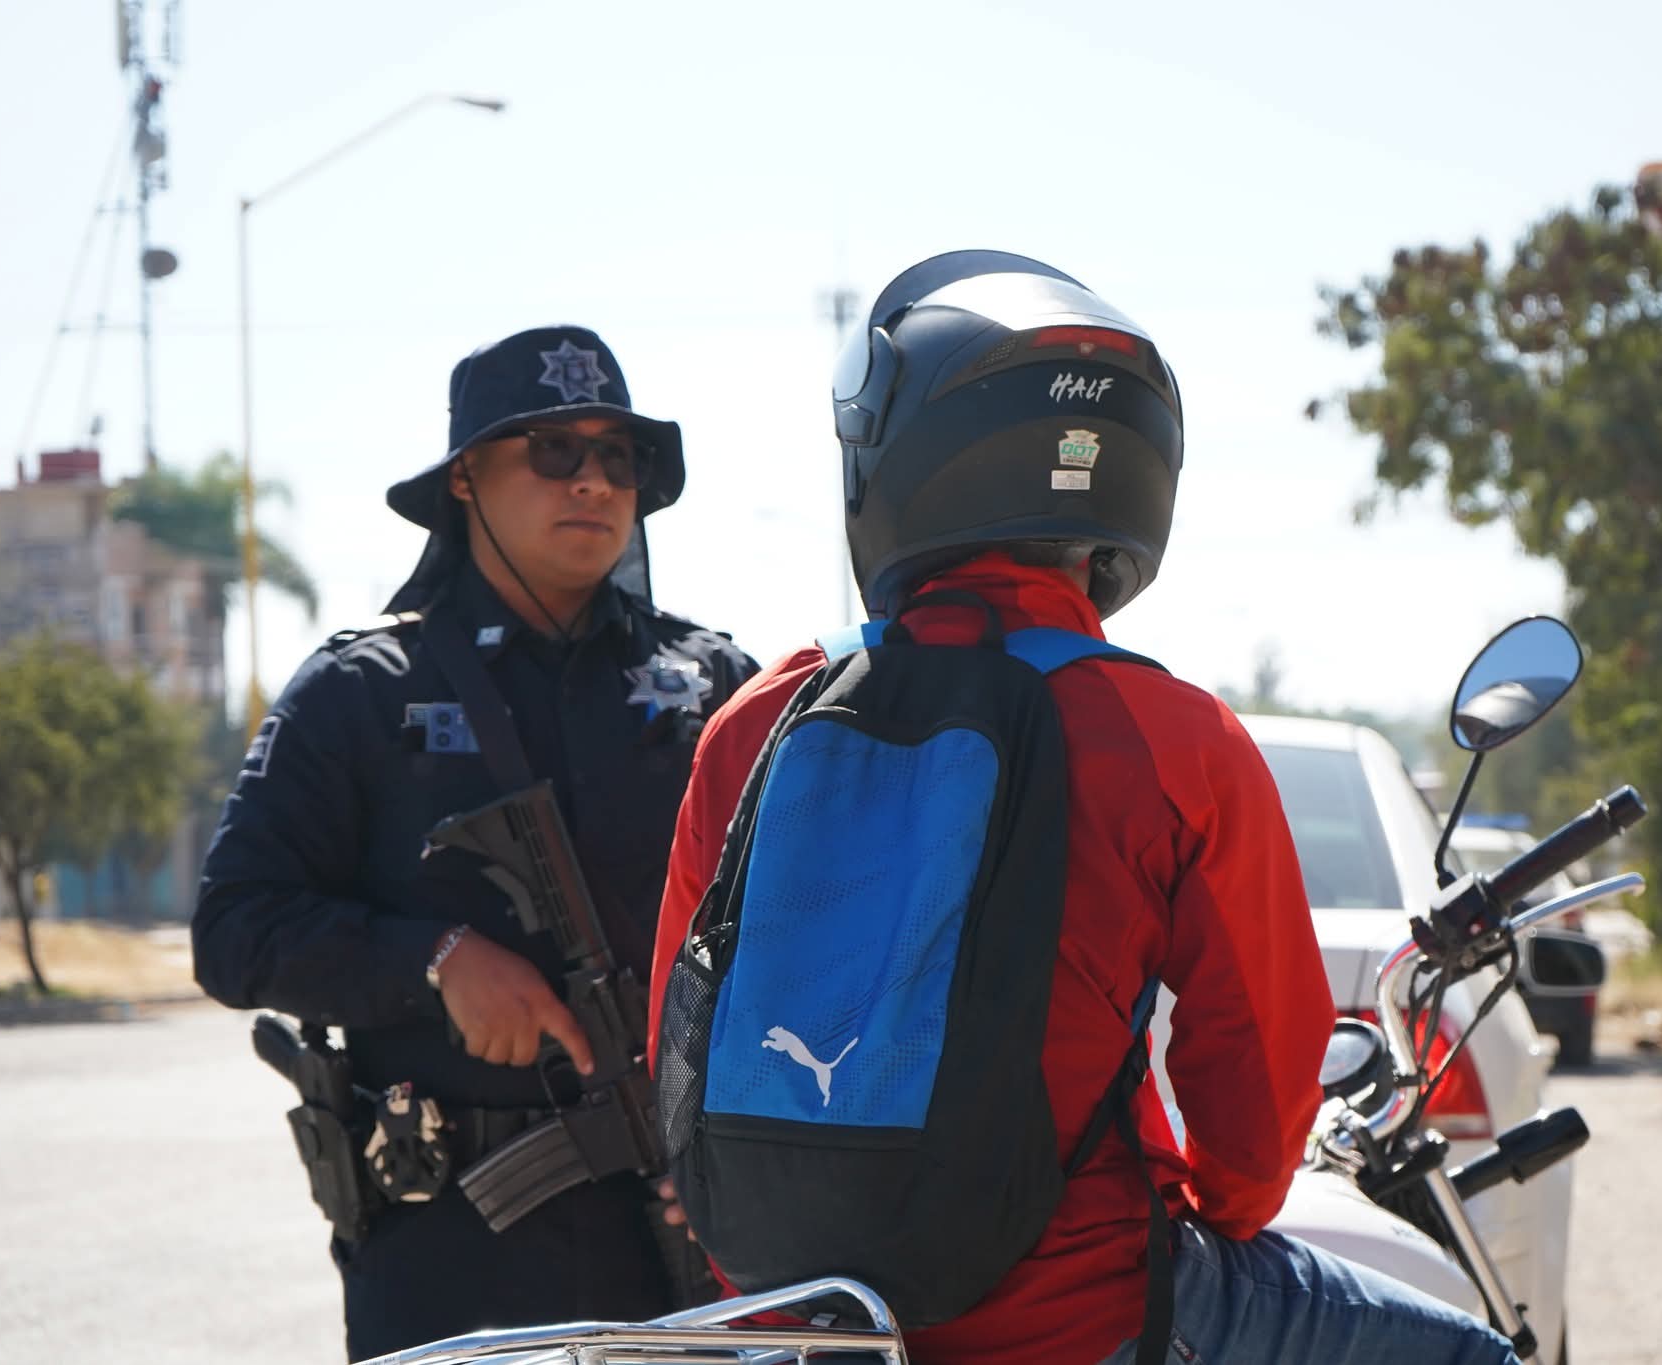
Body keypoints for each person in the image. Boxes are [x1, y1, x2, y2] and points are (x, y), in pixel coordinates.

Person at [647, 254, 1521, 1365]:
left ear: (885, 455)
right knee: (1475, 1356)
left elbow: (678, 1037)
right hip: (1079, 1313)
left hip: (798, 1323)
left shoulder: (760, 722)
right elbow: (1252, 1094)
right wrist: (1221, 1204)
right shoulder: (1169, 735)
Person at [195, 325, 758, 1361]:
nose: (590, 480)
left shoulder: (719, 687)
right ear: (465, 479)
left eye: (616, 457)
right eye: (552, 451)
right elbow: (234, 930)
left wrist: (751, 1150)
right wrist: (435, 963)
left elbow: (806, 936)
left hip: (690, 1242)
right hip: (450, 1254)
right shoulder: (361, 693)